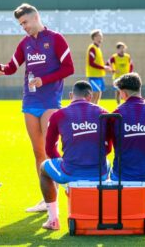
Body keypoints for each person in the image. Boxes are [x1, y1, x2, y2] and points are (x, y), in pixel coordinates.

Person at [0, 3, 74, 212]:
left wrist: (44, 80)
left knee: (51, 149)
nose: (24, 27)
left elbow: (69, 68)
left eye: (25, 22)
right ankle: (47, 199)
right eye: (20, 24)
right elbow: (12, 67)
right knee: (38, 152)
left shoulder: (56, 39)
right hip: (30, 102)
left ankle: (67, 186)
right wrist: (2, 68)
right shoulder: (24, 43)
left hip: (50, 102)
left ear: (36, 16)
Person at [39, 81, 111, 230]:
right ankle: (101, 210)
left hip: (70, 171)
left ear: (71, 95)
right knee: (108, 161)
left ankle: (53, 219)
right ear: (89, 96)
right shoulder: (104, 112)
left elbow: (49, 148)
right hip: (99, 173)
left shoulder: (58, 114)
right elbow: (108, 148)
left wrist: (63, 161)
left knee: (43, 168)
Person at [85, 29, 113, 104]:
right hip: (94, 76)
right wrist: (104, 67)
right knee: (94, 95)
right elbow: (91, 63)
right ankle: (90, 112)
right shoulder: (92, 48)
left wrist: (106, 66)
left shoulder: (98, 48)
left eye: (101, 36)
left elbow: (98, 63)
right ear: (94, 37)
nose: (101, 38)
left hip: (99, 75)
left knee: (98, 95)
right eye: (99, 36)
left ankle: (96, 112)